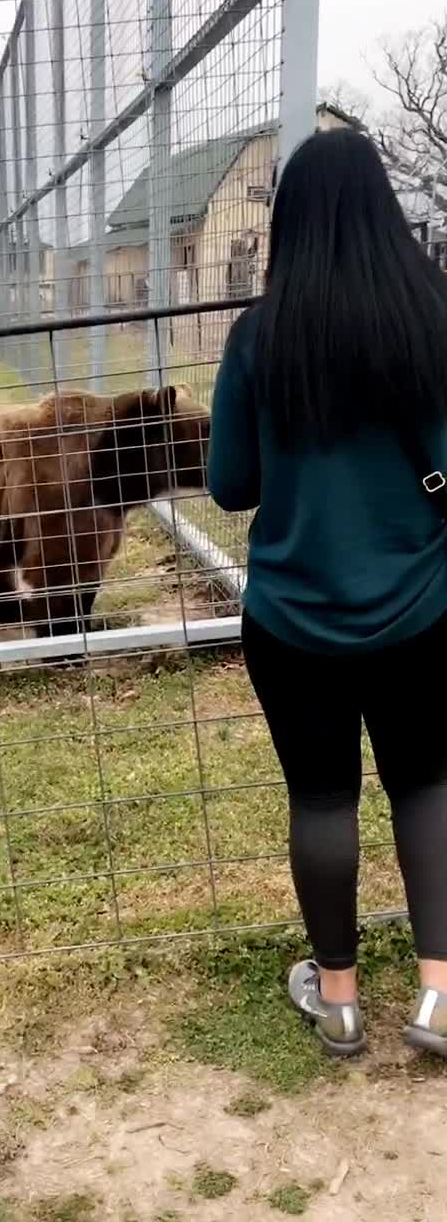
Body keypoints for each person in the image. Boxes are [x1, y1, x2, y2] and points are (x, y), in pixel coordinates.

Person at [207, 127, 447, 1059]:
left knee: (322, 800)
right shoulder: (433, 316)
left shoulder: (260, 335)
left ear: (292, 223)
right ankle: (437, 998)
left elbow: (233, 484)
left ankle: (338, 1000)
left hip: (292, 618)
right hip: (425, 609)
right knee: (427, 787)